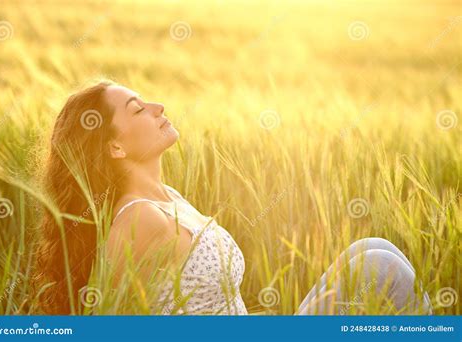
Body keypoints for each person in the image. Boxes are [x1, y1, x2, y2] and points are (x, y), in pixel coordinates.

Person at [35, 80, 432, 315]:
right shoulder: (140, 221)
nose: (157, 107)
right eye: (138, 110)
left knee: (373, 250)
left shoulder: (168, 197)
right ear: (115, 148)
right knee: (380, 266)